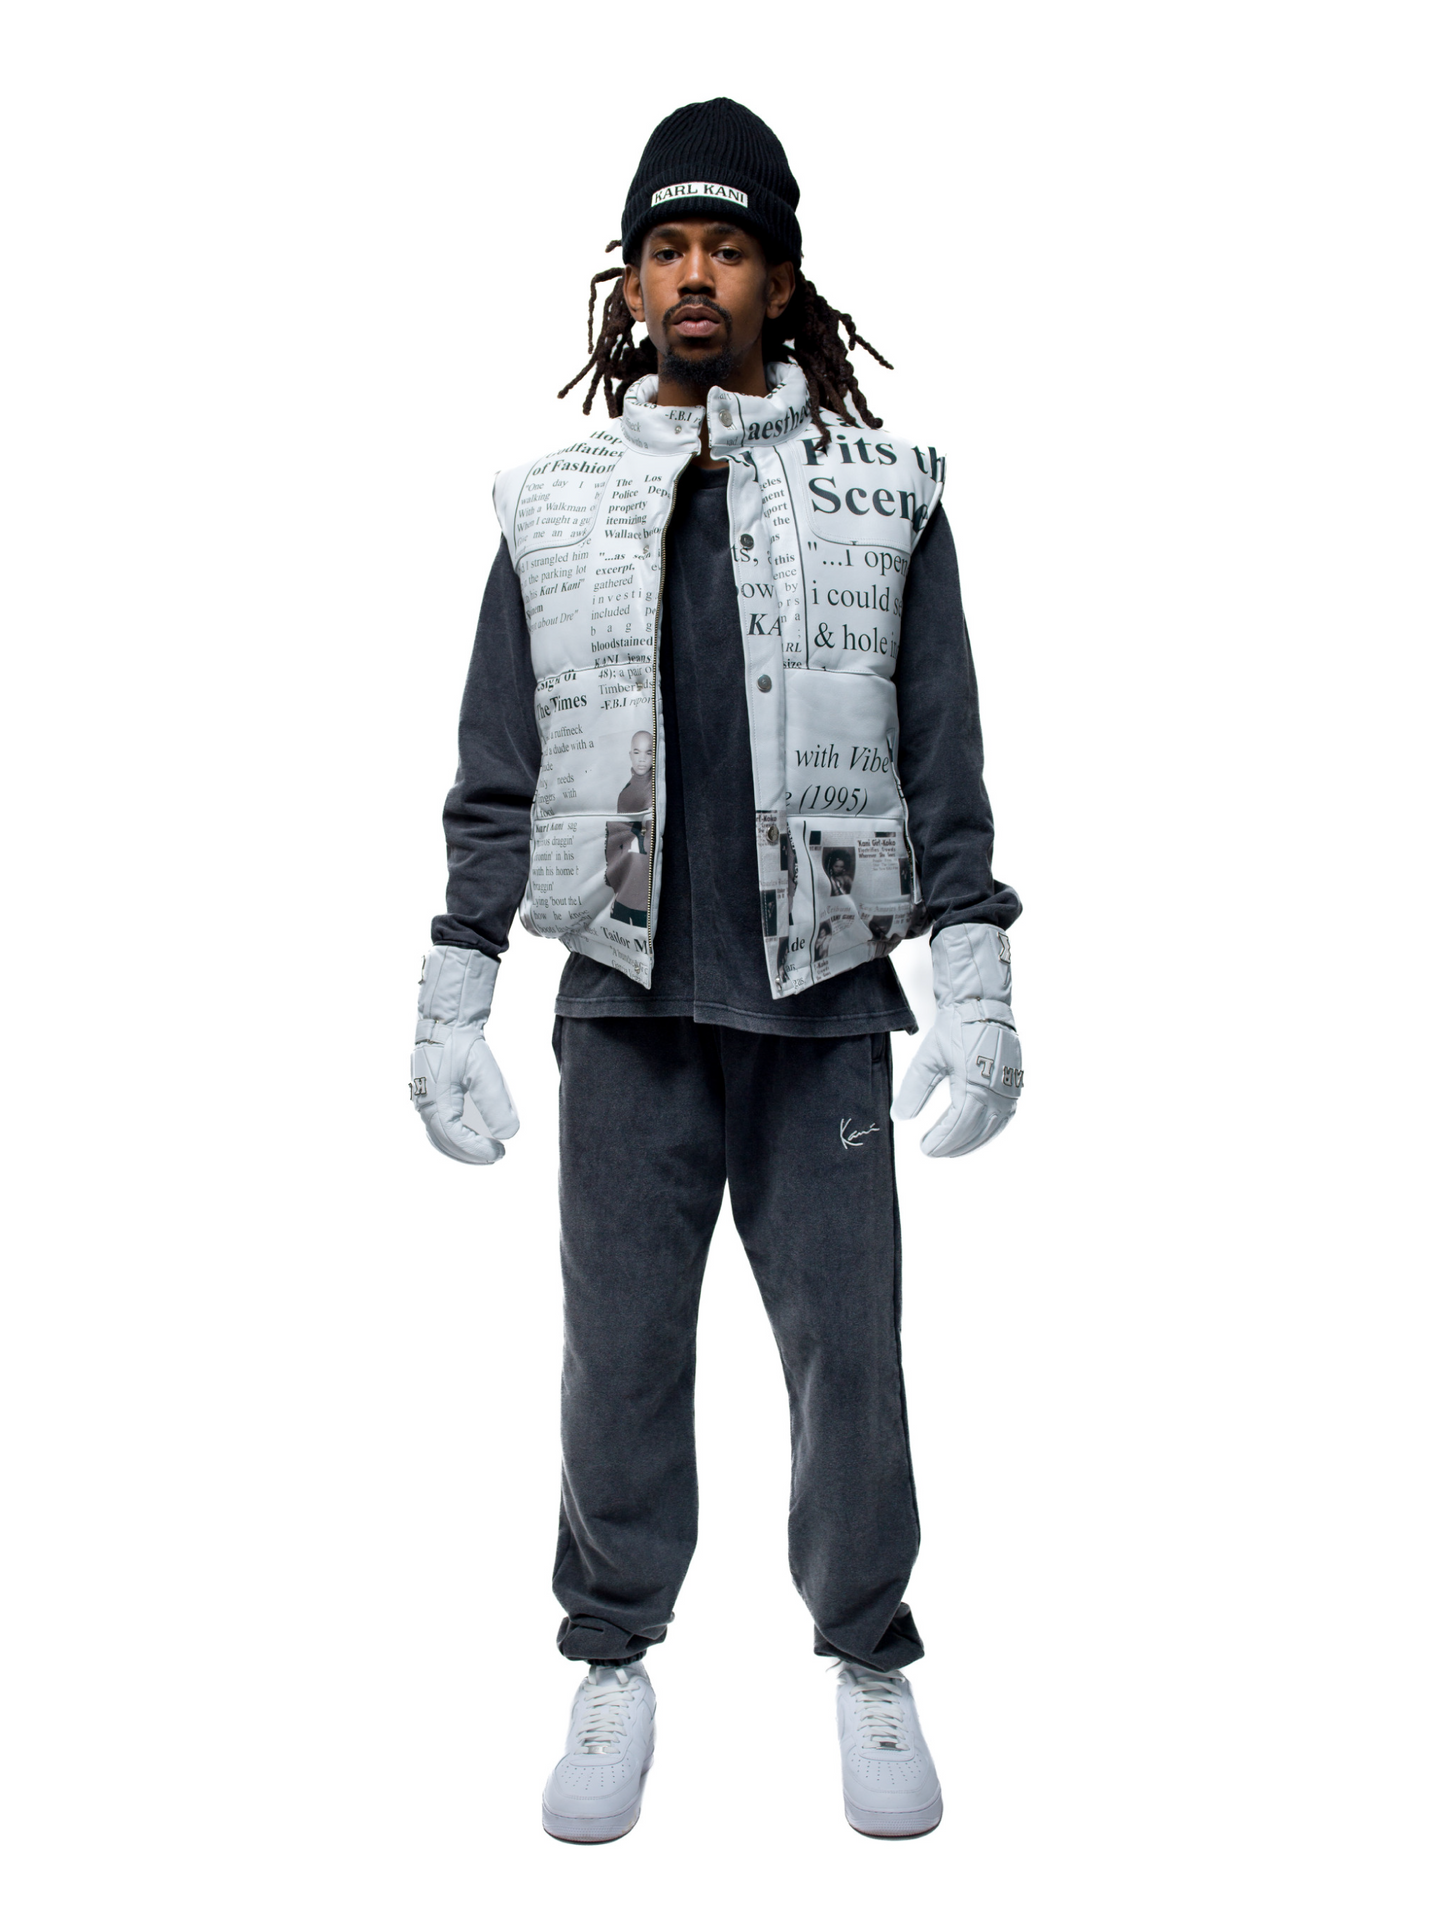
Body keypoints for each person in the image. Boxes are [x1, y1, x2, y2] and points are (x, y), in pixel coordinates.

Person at [410, 98, 1025, 1843]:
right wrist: (457, 985)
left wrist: (975, 976)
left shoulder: (888, 499)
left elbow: (940, 748)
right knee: (616, 1360)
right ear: (629, 285)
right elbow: (498, 762)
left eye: (729, 248)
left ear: (780, 279)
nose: (696, 276)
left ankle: (869, 1655)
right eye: (667, 249)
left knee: (850, 1359)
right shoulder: (550, 504)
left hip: (820, 1004)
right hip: (621, 1002)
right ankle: (611, 1656)